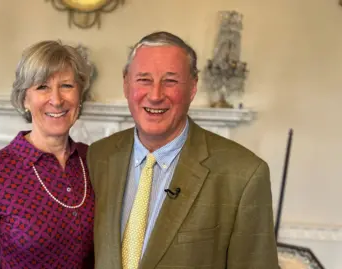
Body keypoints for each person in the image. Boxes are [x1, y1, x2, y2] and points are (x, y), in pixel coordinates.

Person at [87, 31, 279, 269]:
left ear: (193, 87)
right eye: (144, 80)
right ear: (126, 84)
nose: (155, 95)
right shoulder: (97, 157)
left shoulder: (243, 174)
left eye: (171, 81)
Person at [0, 40, 95, 269]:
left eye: (66, 86)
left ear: (80, 96)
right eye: (42, 87)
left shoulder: (94, 161)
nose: (56, 99)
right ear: (25, 99)